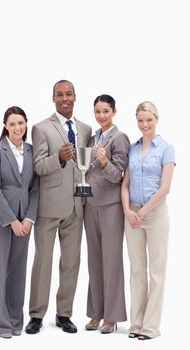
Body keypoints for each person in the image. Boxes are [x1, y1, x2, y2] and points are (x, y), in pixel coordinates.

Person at [25, 80, 92, 334]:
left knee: (72, 262)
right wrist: (59, 159)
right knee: (43, 262)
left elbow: (85, 166)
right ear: (53, 98)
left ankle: (64, 314)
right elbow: (38, 166)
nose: (65, 98)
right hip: (49, 207)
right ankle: (36, 315)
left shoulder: (85, 129)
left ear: (75, 97)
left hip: (77, 206)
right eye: (60, 94)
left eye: (69, 94)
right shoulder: (41, 128)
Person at [121, 101, 175, 340]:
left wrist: (143, 213)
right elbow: (125, 184)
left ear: (156, 119)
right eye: (140, 120)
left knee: (156, 272)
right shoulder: (132, 149)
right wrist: (127, 210)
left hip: (154, 215)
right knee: (136, 270)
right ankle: (136, 323)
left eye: (149, 119)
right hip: (131, 214)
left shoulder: (166, 149)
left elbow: (165, 188)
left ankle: (151, 327)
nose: (145, 124)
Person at [0, 106, 39, 338]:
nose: (17, 128)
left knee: (18, 271)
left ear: (26, 124)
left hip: (24, 220)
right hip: (0, 220)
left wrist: (27, 218)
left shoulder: (31, 151)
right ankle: (0, 324)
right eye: (13, 124)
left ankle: (15, 320)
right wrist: (11, 220)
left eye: (21, 123)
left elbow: (35, 189)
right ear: (5, 126)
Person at [84, 94, 130, 334]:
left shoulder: (120, 137)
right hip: (90, 204)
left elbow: (119, 177)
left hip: (111, 205)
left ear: (114, 112)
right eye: (97, 111)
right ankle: (96, 313)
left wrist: (103, 161)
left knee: (111, 261)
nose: (101, 115)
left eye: (105, 111)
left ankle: (111, 317)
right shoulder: (92, 138)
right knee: (94, 261)